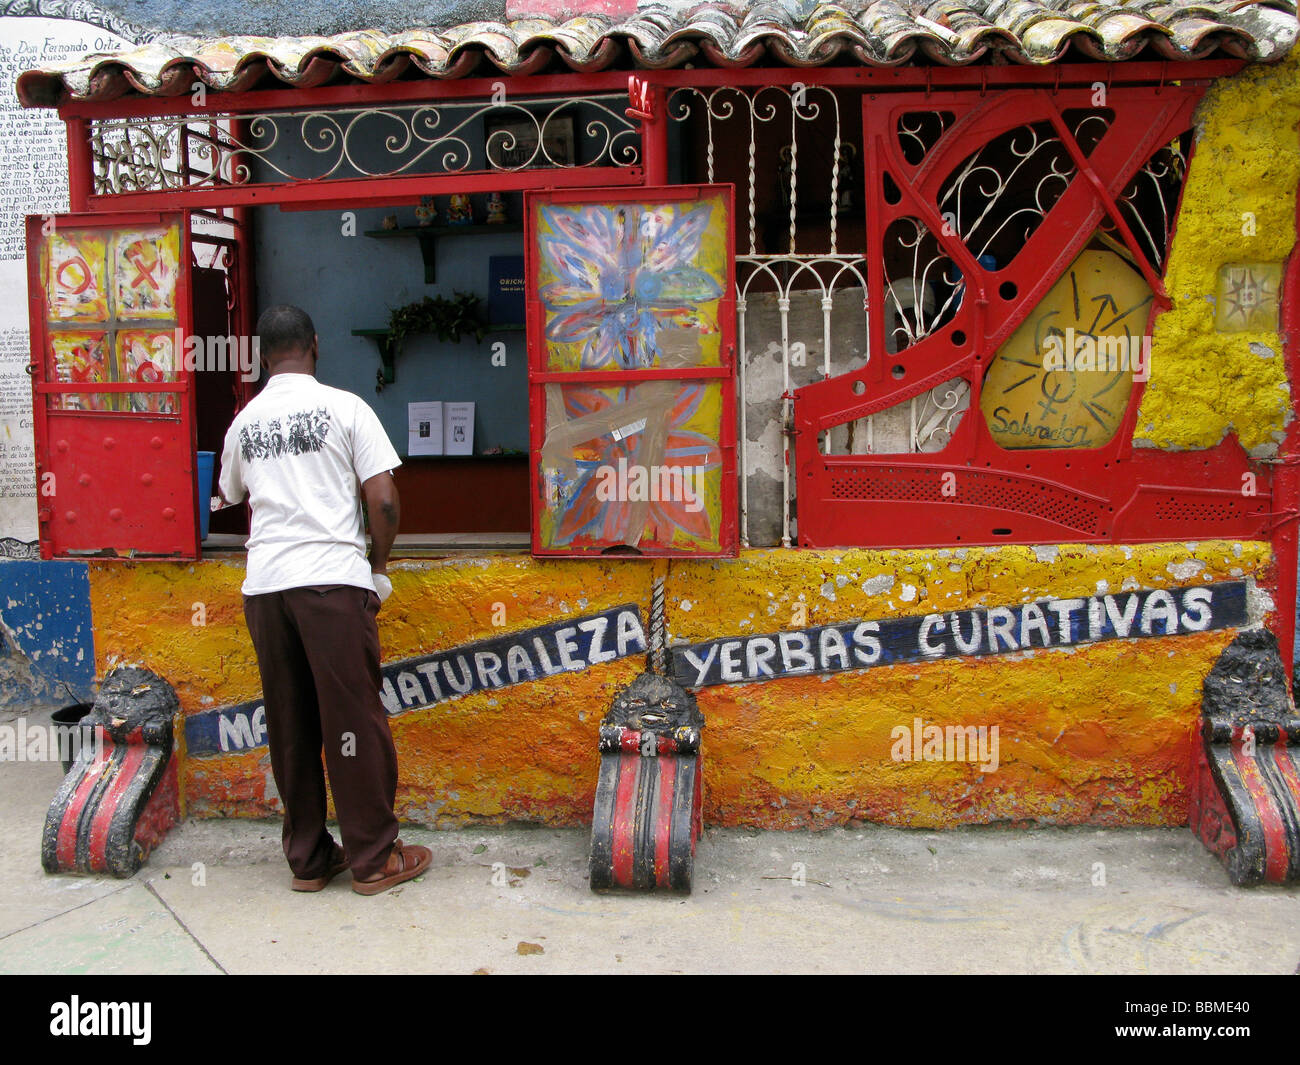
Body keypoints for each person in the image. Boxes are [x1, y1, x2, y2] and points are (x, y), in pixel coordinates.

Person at [217, 304, 431, 896]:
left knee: (289, 724)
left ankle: (309, 860)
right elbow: (383, 500)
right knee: (353, 722)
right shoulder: (347, 407)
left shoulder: (243, 422)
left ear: (262, 355)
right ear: (316, 344)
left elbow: (232, 492)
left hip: (266, 589)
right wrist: (379, 568)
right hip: (332, 584)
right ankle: (373, 858)